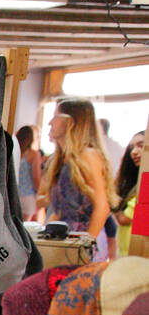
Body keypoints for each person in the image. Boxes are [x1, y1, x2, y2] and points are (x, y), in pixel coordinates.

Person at [39, 98, 117, 261]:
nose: (50, 123)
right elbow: (59, 211)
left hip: (82, 246)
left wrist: (85, 246)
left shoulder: (87, 155)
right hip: (66, 243)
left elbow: (102, 207)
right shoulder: (61, 160)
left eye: (56, 116)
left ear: (71, 121)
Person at [114, 131, 144, 257]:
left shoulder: (144, 184)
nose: (134, 152)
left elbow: (124, 219)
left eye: (140, 145)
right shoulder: (138, 182)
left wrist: (112, 200)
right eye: (131, 147)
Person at [16, 125, 43, 220]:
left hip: (13, 194)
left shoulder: (13, 152)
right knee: (25, 227)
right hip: (27, 195)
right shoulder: (34, 154)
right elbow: (36, 177)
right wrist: (40, 194)